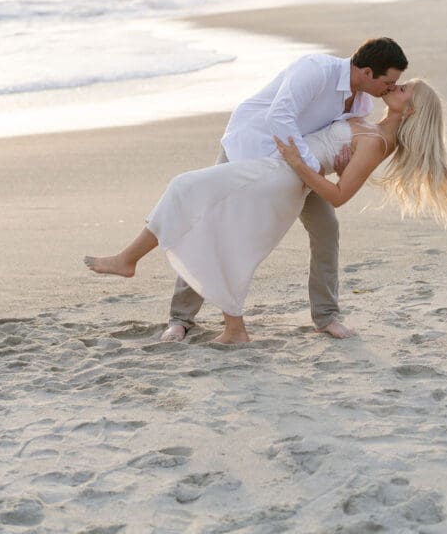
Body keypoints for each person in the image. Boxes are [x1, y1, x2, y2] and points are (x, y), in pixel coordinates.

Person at [84, 78, 447, 344]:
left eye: (405, 89)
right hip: (280, 169)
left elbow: (339, 195)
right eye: (398, 81)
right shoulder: (366, 120)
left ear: (411, 110)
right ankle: (201, 320)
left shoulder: (375, 142)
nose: (397, 86)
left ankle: (132, 263)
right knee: (213, 220)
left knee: (195, 199)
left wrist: (298, 162)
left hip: (284, 176)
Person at [163, 36, 407, 342]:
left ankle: (326, 315)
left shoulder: (362, 101)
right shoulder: (316, 70)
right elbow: (279, 116)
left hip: (295, 170)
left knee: (326, 229)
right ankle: (181, 318)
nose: (391, 88)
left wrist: (338, 163)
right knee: (212, 226)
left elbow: (327, 138)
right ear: (368, 72)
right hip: (249, 149)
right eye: (389, 81)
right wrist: (313, 168)